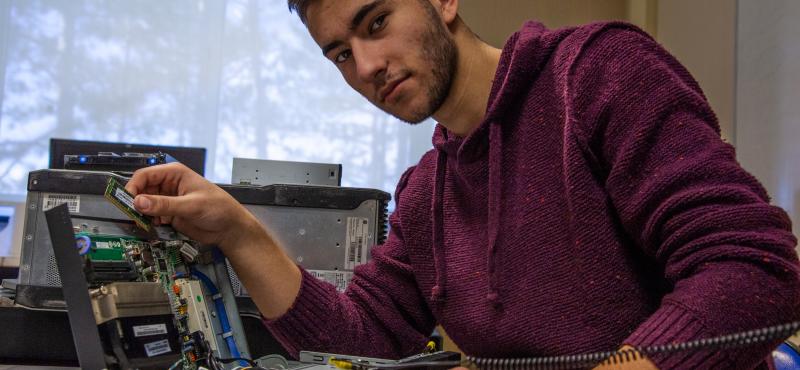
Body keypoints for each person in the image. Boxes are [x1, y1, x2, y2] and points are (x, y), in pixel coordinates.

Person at [125, 1, 800, 369]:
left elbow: (754, 270)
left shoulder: (597, 75)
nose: (365, 66)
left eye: (376, 21)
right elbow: (359, 340)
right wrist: (239, 230)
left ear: (444, 0)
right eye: (339, 53)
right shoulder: (426, 193)